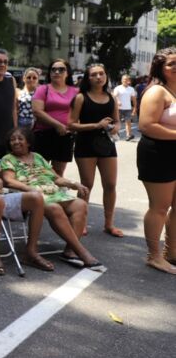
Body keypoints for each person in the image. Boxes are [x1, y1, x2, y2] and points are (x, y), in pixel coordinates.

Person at [0, 128, 105, 271]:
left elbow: (55, 178)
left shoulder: (38, 157)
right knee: (55, 208)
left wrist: (74, 184)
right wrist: (31, 189)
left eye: (20, 139)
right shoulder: (8, 159)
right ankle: (82, 252)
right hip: (31, 196)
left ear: (28, 142)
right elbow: (9, 181)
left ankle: (69, 251)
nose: (16, 142)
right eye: (12, 139)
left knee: (80, 205)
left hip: (53, 192)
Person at [69, 63, 123, 238]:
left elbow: (117, 120)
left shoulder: (111, 97)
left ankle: (109, 224)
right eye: (94, 75)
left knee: (110, 184)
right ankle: (80, 222)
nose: (98, 77)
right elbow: (70, 124)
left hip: (107, 144)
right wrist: (96, 125)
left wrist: (115, 127)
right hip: (85, 144)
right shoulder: (81, 98)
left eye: (101, 73)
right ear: (88, 78)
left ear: (106, 76)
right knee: (87, 184)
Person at [136, 48, 176, 274]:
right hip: (158, 154)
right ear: (160, 67)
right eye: (171, 64)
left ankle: (172, 252)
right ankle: (154, 256)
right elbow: (147, 126)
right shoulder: (156, 92)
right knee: (160, 207)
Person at [32, 59, 78, 176]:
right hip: (43, 134)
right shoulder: (42, 89)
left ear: (67, 73)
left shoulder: (76, 91)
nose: (57, 72)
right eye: (53, 69)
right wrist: (57, 125)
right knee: (40, 171)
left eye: (61, 70)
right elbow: (37, 111)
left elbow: (80, 112)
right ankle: (39, 194)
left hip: (65, 136)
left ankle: (56, 194)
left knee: (58, 172)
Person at [113, 75, 138, 140]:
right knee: (117, 122)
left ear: (129, 81)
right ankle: (116, 134)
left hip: (128, 108)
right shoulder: (117, 88)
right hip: (118, 108)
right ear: (121, 80)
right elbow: (114, 96)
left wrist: (135, 108)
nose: (125, 81)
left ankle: (128, 135)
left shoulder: (131, 89)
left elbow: (134, 99)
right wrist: (118, 101)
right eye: (124, 79)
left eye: (127, 79)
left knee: (128, 122)